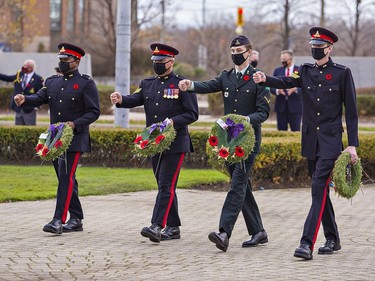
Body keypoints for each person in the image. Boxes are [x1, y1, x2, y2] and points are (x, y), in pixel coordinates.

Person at [253, 27, 359, 260]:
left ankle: (306, 243)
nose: (315, 50)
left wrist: (352, 145)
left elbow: (351, 113)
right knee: (320, 192)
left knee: (317, 188)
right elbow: (285, 80)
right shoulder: (306, 71)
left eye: (320, 47)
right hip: (311, 140)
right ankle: (333, 238)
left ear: (329, 48)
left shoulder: (342, 73)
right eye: (313, 46)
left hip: (331, 141)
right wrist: (264, 79)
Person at [179, 35, 271, 252]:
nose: (236, 56)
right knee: (242, 187)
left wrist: (245, 121)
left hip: (247, 142)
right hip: (229, 142)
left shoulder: (258, 79)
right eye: (233, 52)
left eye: (240, 52)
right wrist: (190, 85)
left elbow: (263, 112)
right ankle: (258, 231)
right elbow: (207, 85)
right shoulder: (226, 77)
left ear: (249, 53)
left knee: (237, 185)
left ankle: (223, 232)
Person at [110, 43, 198, 243]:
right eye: (155, 61)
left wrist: (172, 122)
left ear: (171, 61)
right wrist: (120, 99)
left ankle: (157, 226)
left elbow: (192, 114)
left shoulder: (182, 84)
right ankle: (173, 228)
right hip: (153, 142)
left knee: (166, 185)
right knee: (164, 185)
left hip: (175, 143)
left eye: (161, 61)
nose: (157, 64)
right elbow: (136, 98)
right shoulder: (148, 83)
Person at [14, 43, 100, 235]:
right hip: (54, 139)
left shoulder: (86, 83)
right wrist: (25, 99)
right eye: (60, 59)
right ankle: (76, 219)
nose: (62, 63)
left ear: (76, 61)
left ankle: (58, 221)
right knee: (65, 178)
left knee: (66, 177)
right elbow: (40, 97)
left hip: (75, 139)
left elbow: (94, 112)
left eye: (66, 60)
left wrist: (74, 124)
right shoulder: (53, 81)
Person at [0, 59, 44, 125]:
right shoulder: (19, 75)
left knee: (30, 129)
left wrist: (37, 106)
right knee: (18, 128)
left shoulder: (38, 79)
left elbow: (40, 93)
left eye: (25, 66)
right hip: (18, 107)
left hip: (30, 109)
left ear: (30, 68)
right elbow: (7, 78)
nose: (23, 67)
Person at [271, 50, 302, 131]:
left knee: (296, 131)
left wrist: (295, 89)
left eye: (285, 60)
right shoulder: (277, 71)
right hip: (281, 107)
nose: (283, 62)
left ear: (291, 59)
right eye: (281, 60)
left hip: (295, 107)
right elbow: (271, 86)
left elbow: (305, 86)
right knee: (281, 132)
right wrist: (278, 91)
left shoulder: (299, 70)